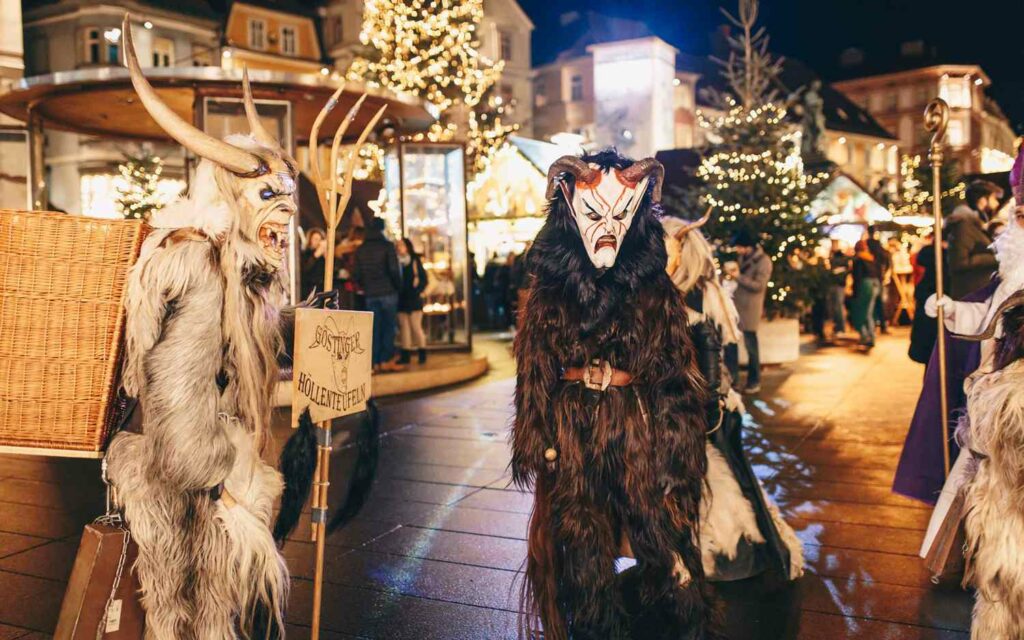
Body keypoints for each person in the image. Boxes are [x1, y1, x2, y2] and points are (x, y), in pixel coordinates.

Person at [514, 153, 715, 638]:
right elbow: (534, 369)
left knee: (660, 538)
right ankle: (591, 624)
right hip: (573, 428)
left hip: (635, 425)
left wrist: (678, 450)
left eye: (617, 215)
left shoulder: (652, 286)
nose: (605, 228)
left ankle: (674, 619)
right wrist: (536, 433)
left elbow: (672, 371)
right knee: (581, 545)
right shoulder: (553, 287)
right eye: (594, 214)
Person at [663, 214, 804, 583]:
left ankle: (727, 558)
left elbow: (710, 345)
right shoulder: (674, 291)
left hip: (707, 409)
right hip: (690, 406)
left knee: (722, 486)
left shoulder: (697, 291)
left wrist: (708, 401)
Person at [917, 195, 1024, 572]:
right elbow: (988, 320)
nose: (1014, 228)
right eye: (1017, 217)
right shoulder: (1010, 276)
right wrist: (954, 310)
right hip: (991, 407)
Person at [354, 217, 405, 373]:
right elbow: (394, 270)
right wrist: (398, 287)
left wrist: (366, 286)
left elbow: (357, 274)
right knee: (388, 327)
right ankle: (385, 360)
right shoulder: (387, 246)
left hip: (370, 294)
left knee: (373, 330)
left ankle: (373, 363)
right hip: (388, 292)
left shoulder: (361, 249)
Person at [725, 229, 772, 394]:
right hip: (736, 308)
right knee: (731, 343)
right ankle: (733, 380)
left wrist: (738, 276)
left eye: (740, 247)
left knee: (751, 346)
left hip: (750, 309)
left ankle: (754, 381)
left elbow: (759, 286)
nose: (738, 250)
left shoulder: (764, 261)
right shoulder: (743, 257)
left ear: (748, 246)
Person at [947, 180, 1003, 300]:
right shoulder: (964, 224)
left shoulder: (976, 225)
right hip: (971, 298)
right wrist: (994, 257)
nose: (996, 204)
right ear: (983, 200)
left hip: (980, 295)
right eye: (994, 199)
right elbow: (959, 262)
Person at [396, 237, 429, 365]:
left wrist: (417, 290)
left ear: (408, 246)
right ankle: (406, 355)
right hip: (401, 299)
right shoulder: (395, 262)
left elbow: (424, 279)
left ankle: (422, 353)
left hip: (414, 299)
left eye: (402, 245)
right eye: (397, 245)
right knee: (404, 328)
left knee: (416, 327)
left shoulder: (415, 261)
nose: (399, 247)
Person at [849, 239, 882, 349]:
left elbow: (857, 277)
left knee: (862, 312)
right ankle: (870, 336)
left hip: (865, 286)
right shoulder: (871, 258)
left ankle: (867, 336)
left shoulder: (858, 259)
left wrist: (854, 292)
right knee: (870, 312)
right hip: (875, 284)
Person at [827, 240, 851, 339]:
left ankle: (840, 328)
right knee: (836, 306)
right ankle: (838, 327)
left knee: (838, 306)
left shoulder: (839, 258)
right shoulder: (835, 257)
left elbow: (843, 270)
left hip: (838, 284)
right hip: (837, 284)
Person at [300, 227, 327, 298]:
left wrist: (325, 256)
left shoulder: (324, 256)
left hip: (322, 288)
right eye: (315, 239)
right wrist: (316, 255)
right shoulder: (305, 253)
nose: (318, 242)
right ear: (310, 240)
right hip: (309, 289)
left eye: (320, 240)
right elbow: (305, 269)